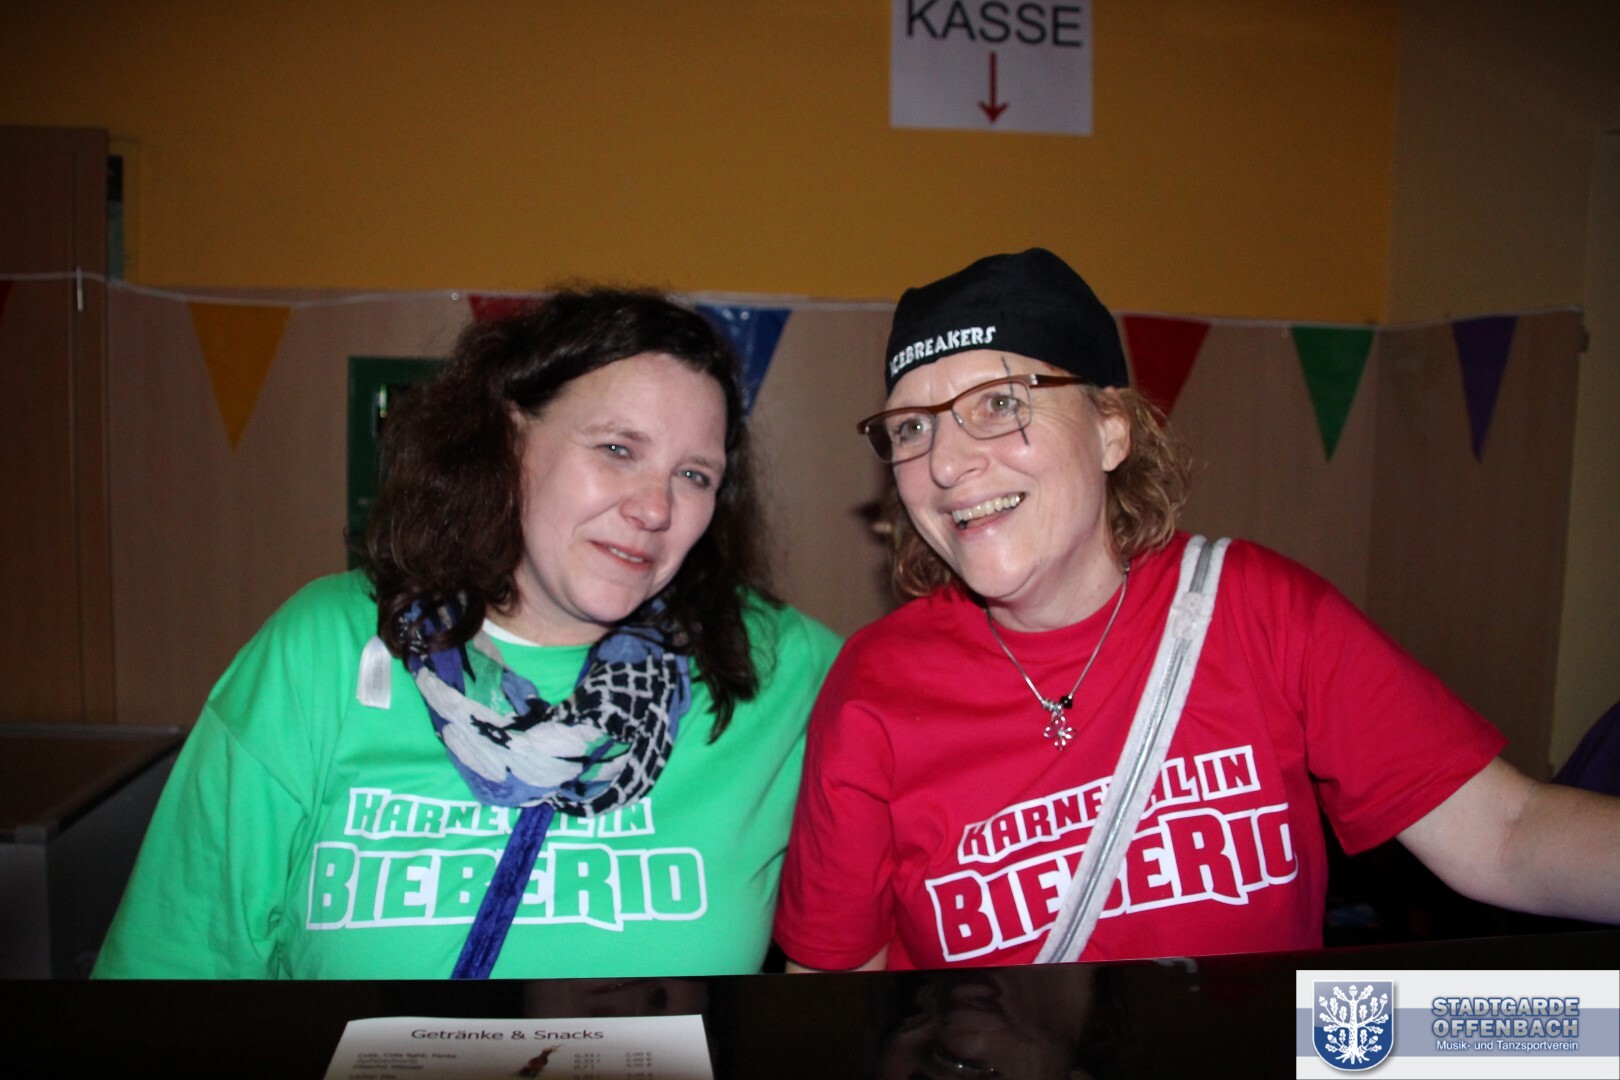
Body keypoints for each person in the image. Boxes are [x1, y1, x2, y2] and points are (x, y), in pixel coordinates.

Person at [773, 248, 1620, 971]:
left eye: (999, 403)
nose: (946, 463)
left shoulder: (1260, 612)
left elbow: (1507, 833)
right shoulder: (874, 687)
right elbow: (838, 984)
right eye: (912, 428)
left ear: (1111, 429)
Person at [94, 287, 840, 979]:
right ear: (511, 438)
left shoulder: (774, 669)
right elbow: (171, 972)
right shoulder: (324, 651)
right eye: (617, 449)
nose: (655, 508)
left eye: (695, 475)